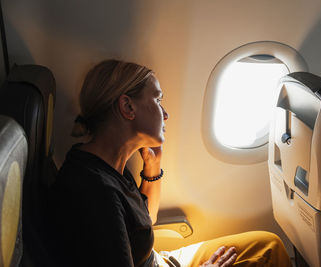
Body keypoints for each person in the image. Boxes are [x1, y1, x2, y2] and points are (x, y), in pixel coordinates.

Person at [49, 59, 291, 267]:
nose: (165, 114)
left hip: (159, 260)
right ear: (127, 107)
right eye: (157, 100)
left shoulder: (106, 163)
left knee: (268, 244)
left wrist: (153, 167)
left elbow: (145, 221)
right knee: (270, 256)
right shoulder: (96, 193)